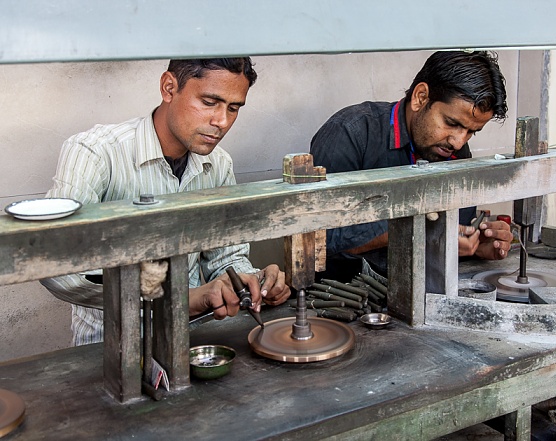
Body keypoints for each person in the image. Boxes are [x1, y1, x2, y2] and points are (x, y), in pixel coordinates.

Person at [40, 58, 291, 346]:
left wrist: (250, 282)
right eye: (210, 102)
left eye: (233, 108)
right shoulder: (96, 153)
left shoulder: (218, 164)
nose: (221, 121)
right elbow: (57, 267)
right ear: (169, 87)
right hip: (112, 347)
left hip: (196, 340)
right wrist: (180, 298)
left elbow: (224, 256)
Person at [310, 50, 513, 281]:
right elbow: (318, 240)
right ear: (421, 97)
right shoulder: (351, 134)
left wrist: (474, 245)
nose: (459, 142)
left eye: (471, 132)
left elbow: (451, 231)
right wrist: (413, 231)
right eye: (451, 123)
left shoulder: (453, 150)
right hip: (339, 297)